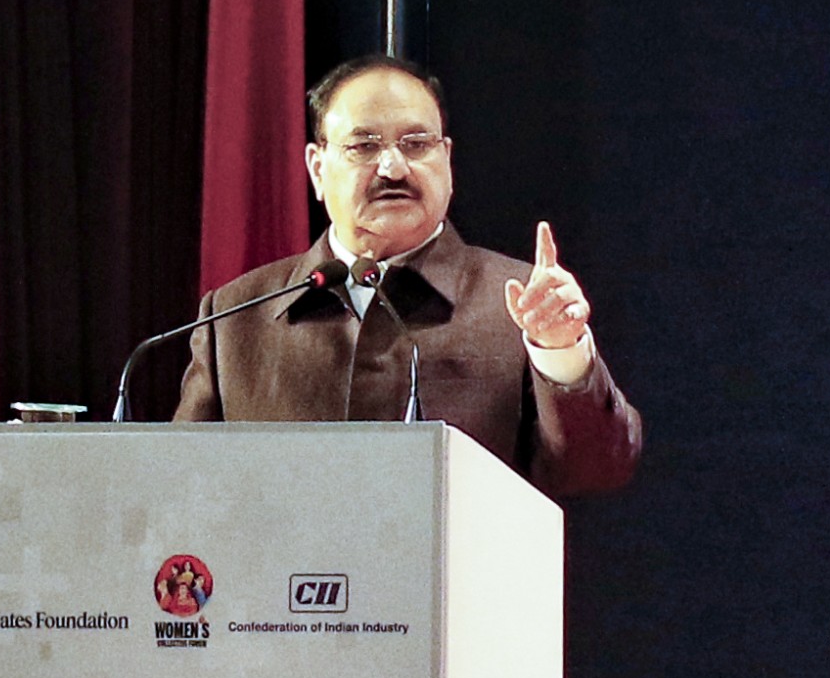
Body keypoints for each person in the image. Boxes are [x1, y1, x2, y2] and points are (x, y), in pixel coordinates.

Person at [174, 55, 641, 497]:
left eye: (416, 144)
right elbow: (179, 489)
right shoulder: (237, 317)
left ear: (448, 161)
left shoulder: (519, 308)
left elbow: (598, 470)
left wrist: (559, 353)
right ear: (318, 169)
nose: (393, 167)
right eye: (364, 146)